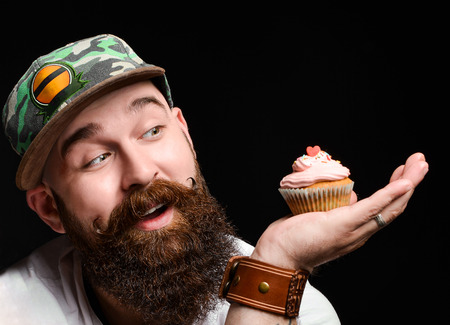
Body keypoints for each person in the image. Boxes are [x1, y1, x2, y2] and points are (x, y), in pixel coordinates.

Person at [0, 34, 428, 325]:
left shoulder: (296, 312)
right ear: (50, 207)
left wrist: (276, 263)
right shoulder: (12, 310)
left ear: (184, 132)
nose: (140, 172)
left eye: (152, 131)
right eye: (96, 158)